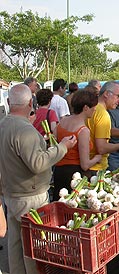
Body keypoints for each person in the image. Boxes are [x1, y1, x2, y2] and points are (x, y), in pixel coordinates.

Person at [0, 84, 77, 274]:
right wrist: (62, 147)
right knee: (33, 247)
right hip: (30, 195)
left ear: (9, 103)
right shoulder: (24, 130)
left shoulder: (3, 124)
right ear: (30, 103)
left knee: (16, 243)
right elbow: (37, 163)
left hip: (12, 193)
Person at [53, 90, 102, 199]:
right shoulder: (83, 130)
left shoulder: (62, 122)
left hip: (59, 171)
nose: (94, 110)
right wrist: (97, 158)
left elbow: (54, 142)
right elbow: (85, 165)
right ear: (85, 108)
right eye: (93, 108)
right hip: (75, 176)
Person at [86, 81, 119, 172]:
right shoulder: (103, 114)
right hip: (97, 168)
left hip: (91, 165)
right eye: (118, 96)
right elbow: (101, 148)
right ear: (106, 94)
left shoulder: (93, 109)